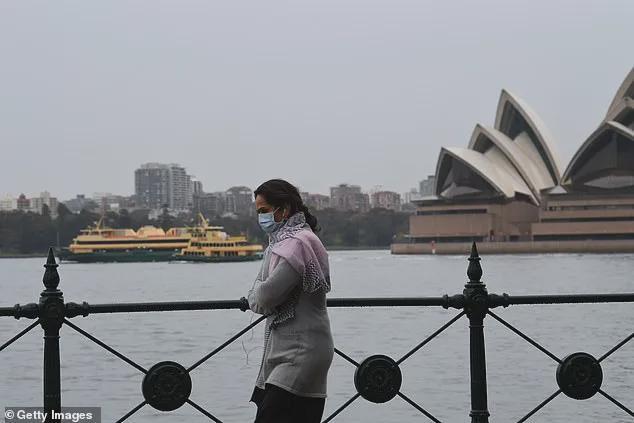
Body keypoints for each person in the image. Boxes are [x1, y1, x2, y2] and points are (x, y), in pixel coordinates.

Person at [245, 179, 334, 423]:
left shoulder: (297, 244)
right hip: (288, 350)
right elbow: (263, 292)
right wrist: (258, 295)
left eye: (264, 210)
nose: (260, 217)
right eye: (258, 212)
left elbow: (264, 296)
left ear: (283, 209)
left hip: (301, 352)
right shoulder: (281, 242)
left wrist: (255, 297)